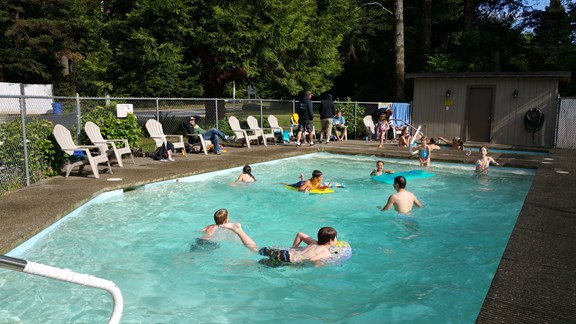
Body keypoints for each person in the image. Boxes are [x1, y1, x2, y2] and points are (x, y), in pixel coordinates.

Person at [220, 223, 337, 264]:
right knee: (256, 264)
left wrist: (294, 248)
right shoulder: (325, 252)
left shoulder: (313, 242)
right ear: (331, 241)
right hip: (286, 260)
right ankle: (233, 263)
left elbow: (300, 234)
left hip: (284, 252)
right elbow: (313, 260)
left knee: (255, 250)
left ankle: (239, 230)